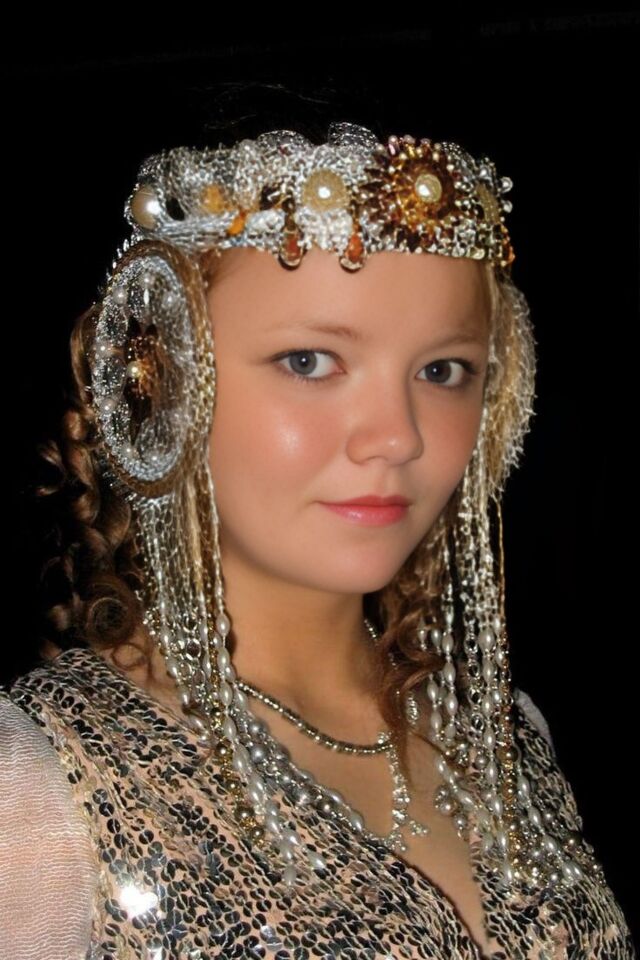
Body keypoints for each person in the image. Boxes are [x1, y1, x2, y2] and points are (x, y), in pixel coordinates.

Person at [0, 103, 635, 959]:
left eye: (443, 370)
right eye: (309, 362)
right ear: (154, 378)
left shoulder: (506, 739)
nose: (397, 437)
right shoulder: (40, 794)